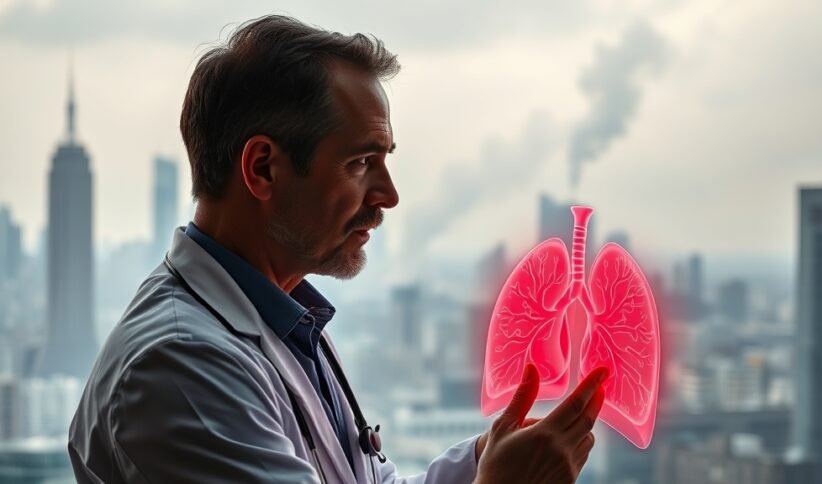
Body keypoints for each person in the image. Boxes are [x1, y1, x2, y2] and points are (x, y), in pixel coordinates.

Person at [68, 15, 608, 484]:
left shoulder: (285, 323)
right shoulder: (182, 368)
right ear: (263, 168)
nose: (388, 196)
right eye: (360, 163)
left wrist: (482, 463)